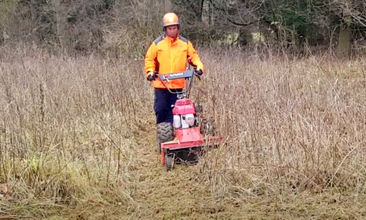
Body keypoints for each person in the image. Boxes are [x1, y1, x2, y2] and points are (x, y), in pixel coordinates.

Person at [144, 12, 204, 125]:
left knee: (177, 111)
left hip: (178, 84)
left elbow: (194, 57)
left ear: (178, 28)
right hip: (161, 84)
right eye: (170, 28)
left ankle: (175, 133)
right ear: (165, 29)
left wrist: (199, 67)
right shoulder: (157, 44)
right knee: (161, 109)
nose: (172, 30)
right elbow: (149, 59)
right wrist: (150, 72)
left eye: (174, 28)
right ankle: (162, 133)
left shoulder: (185, 43)